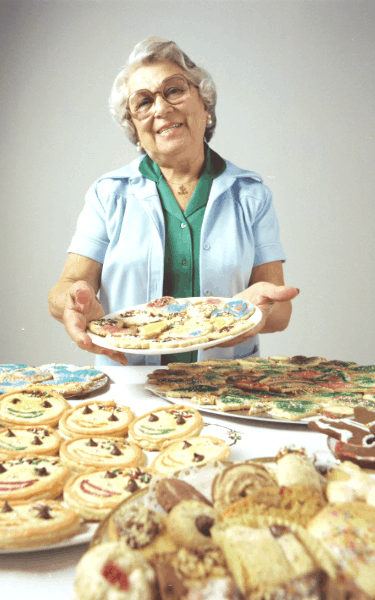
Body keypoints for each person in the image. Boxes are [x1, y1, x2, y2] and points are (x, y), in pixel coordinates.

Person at [48, 37, 299, 367]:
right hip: (132, 385)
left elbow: (280, 310)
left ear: (204, 105)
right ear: (135, 128)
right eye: (143, 102)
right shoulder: (108, 194)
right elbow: (65, 286)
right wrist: (74, 302)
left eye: (174, 91)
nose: (162, 109)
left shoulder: (250, 194)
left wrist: (254, 312)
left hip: (225, 382)